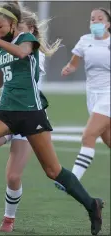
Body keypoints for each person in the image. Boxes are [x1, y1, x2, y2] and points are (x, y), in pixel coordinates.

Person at [0, 3, 104, 235]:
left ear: (13, 24)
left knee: (53, 171)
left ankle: (91, 204)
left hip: (31, 113)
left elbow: (22, 53)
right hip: (5, 113)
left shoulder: (26, 39)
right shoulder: (3, 49)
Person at [55, 8, 110, 192]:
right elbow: (74, 62)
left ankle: (71, 180)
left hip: (108, 95)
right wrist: (69, 68)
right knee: (108, 139)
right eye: (92, 19)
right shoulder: (85, 41)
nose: (95, 22)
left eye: (100, 19)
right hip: (92, 97)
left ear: (108, 24)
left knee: (88, 136)